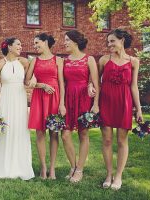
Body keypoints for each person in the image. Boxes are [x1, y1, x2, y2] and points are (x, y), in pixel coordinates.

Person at [0, 38, 35, 180]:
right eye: (18, 44)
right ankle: (0, 166)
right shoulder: (0, 64)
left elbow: (31, 80)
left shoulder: (24, 62)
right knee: (3, 132)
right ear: (9, 47)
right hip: (3, 101)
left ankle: (20, 165)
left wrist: (31, 83)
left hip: (19, 100)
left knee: (19, 130)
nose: (20, 46)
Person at [98, 29, 143, 190]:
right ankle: (109, 174)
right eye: (108, 42)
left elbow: (134, 86)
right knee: (107, 140)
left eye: (112, 41)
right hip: (106, 102)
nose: (109, 44)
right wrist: (91, 87)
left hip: (124, 102)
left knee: (122, 140)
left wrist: (138, 109)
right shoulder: (104, 60)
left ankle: (118, 176)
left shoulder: (133, 61)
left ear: (122, 40)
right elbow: (95, 81)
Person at [25, 33, 65, 179]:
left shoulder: (58, 60)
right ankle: (43, 168)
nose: (35, 46)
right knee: (40, 133)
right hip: (39, 97)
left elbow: (62, 83)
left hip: (54, 97)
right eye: (34, 44)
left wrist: (62, 103)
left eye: (37, 43)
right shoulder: (34, 61)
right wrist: (41, 85)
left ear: (46, 42)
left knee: (54, 133)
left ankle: (52, 169)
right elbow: (27, 81)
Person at [61, 30, 100, 183]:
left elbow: (96, 83)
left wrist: (96, 104)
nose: (64, 43)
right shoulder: (64, 61)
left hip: (84, 99)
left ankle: (80, 169)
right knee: (65, 135)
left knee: (83, 134)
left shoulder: (89, 59)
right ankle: (73, 166)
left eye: (66, 40)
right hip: (68, 98)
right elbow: (62, 82)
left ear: (75, 42)